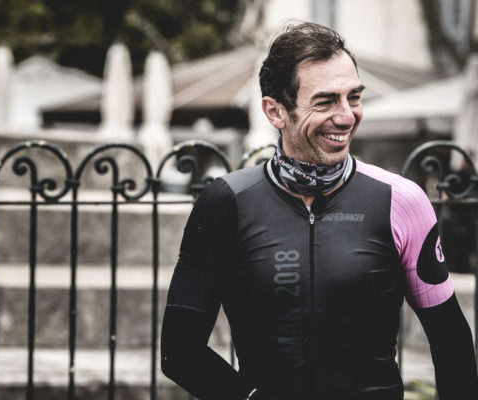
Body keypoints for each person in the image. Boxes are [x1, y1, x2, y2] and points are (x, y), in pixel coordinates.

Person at [160, 21, 478, 399]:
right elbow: (180, 351)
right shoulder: (227, 202)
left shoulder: (402, 200)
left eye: (353, 97)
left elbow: (451, 342)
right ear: (275, 112)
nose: (346, 116)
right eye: (325, 102)